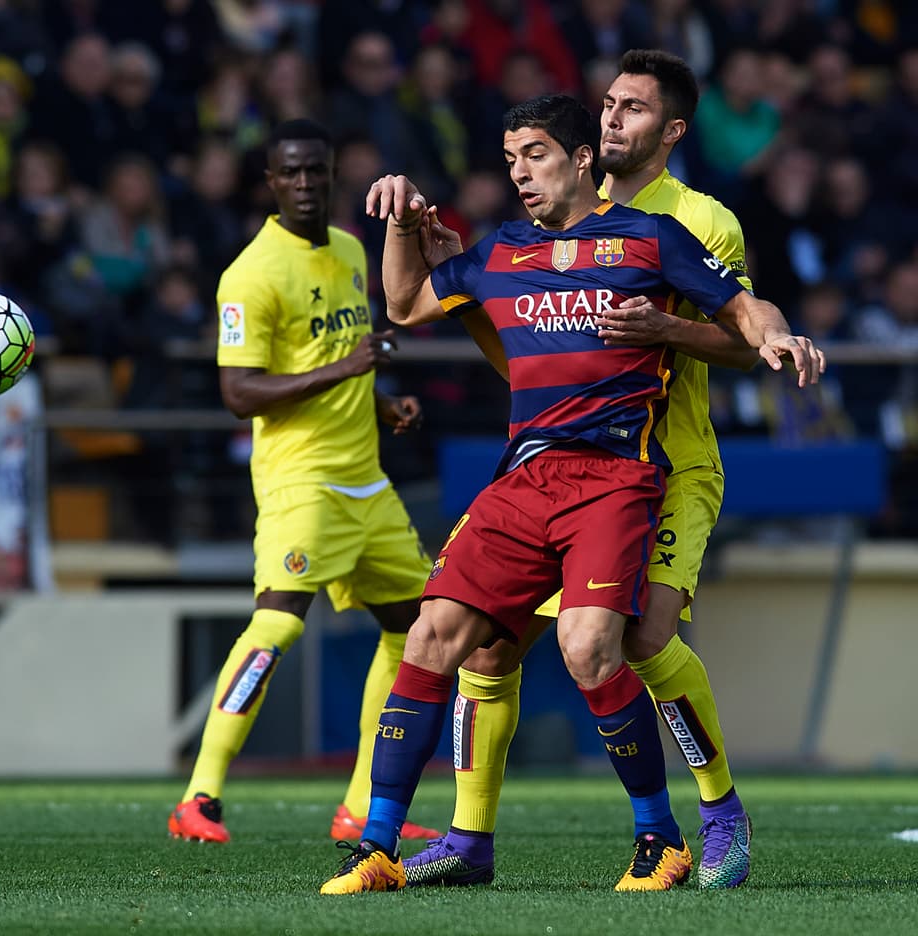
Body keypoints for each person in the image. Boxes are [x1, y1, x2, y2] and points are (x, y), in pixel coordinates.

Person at [320, 93, 821, 895]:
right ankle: (379, 844)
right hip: (523, 476)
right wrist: (402, 223)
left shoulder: (654, 235)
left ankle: (663, 837)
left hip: (616, 475)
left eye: (537, 155)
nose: (520, 172)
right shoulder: (503, 251)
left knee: (593, 647)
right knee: (436, 638)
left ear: (583, 158)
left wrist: (777, 334)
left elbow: (739, 306)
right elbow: (407, 305)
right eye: (511, 158)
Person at [167, 119, 439, 845]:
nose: (307, 185)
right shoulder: (251, 273)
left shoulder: (352, 251)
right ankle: (200, 795)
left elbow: (334, 359)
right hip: (301, 483)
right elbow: (239, 392)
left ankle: (359, 806)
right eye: (292, 173)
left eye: (317, 171)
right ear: (271, 183)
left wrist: (379, 403)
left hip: (368, 484)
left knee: (416, 632)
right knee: (278, 622)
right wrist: (349, 371)